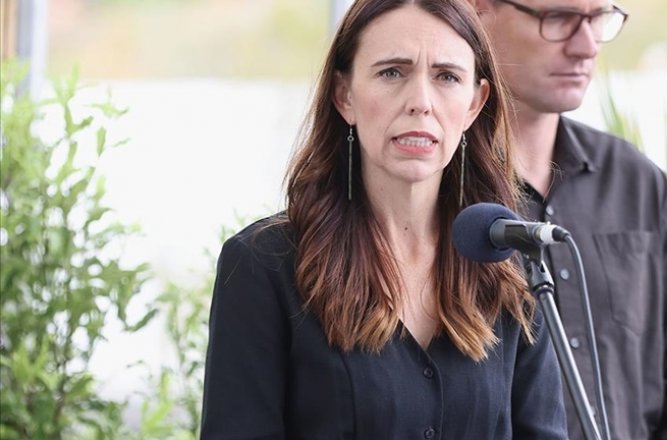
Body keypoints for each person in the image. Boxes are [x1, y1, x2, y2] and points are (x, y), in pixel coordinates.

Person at [199, 0, 568, 438]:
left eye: (447, 77)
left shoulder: (508, 262)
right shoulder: (264, 265)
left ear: (474, 103)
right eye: (392, 72)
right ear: (344, 95)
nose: (420, 102)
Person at [470, 0, 667, 439]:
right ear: (479, 10)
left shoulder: (637, 182)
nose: (586, 45)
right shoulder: (435, 194)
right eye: (558, 18)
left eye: (596, 18)